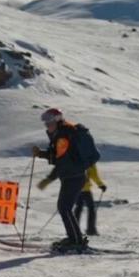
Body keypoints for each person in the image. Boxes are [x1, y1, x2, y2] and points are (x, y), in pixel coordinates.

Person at [33, 108, 100, 253]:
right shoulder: (61, 134)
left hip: (73, 177)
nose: (47, 126)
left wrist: (48, 176)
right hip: (72, 176)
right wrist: (41, 154)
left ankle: (76, 241)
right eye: (45, 123)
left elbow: (61, 160)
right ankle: (74, 238)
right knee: (65, 208)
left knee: (64, 208)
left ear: (57, 121)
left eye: (49, 122)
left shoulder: (64, 135)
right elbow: (59, 156)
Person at [74, 164, 107, 236]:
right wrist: (100, 184)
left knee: (78, 208)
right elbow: (94, 175)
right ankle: (91, 230)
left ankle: (74, 230)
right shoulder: (90, 162)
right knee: (91, 208)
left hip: (77, 189)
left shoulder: (76, 158)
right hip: (85, 189)